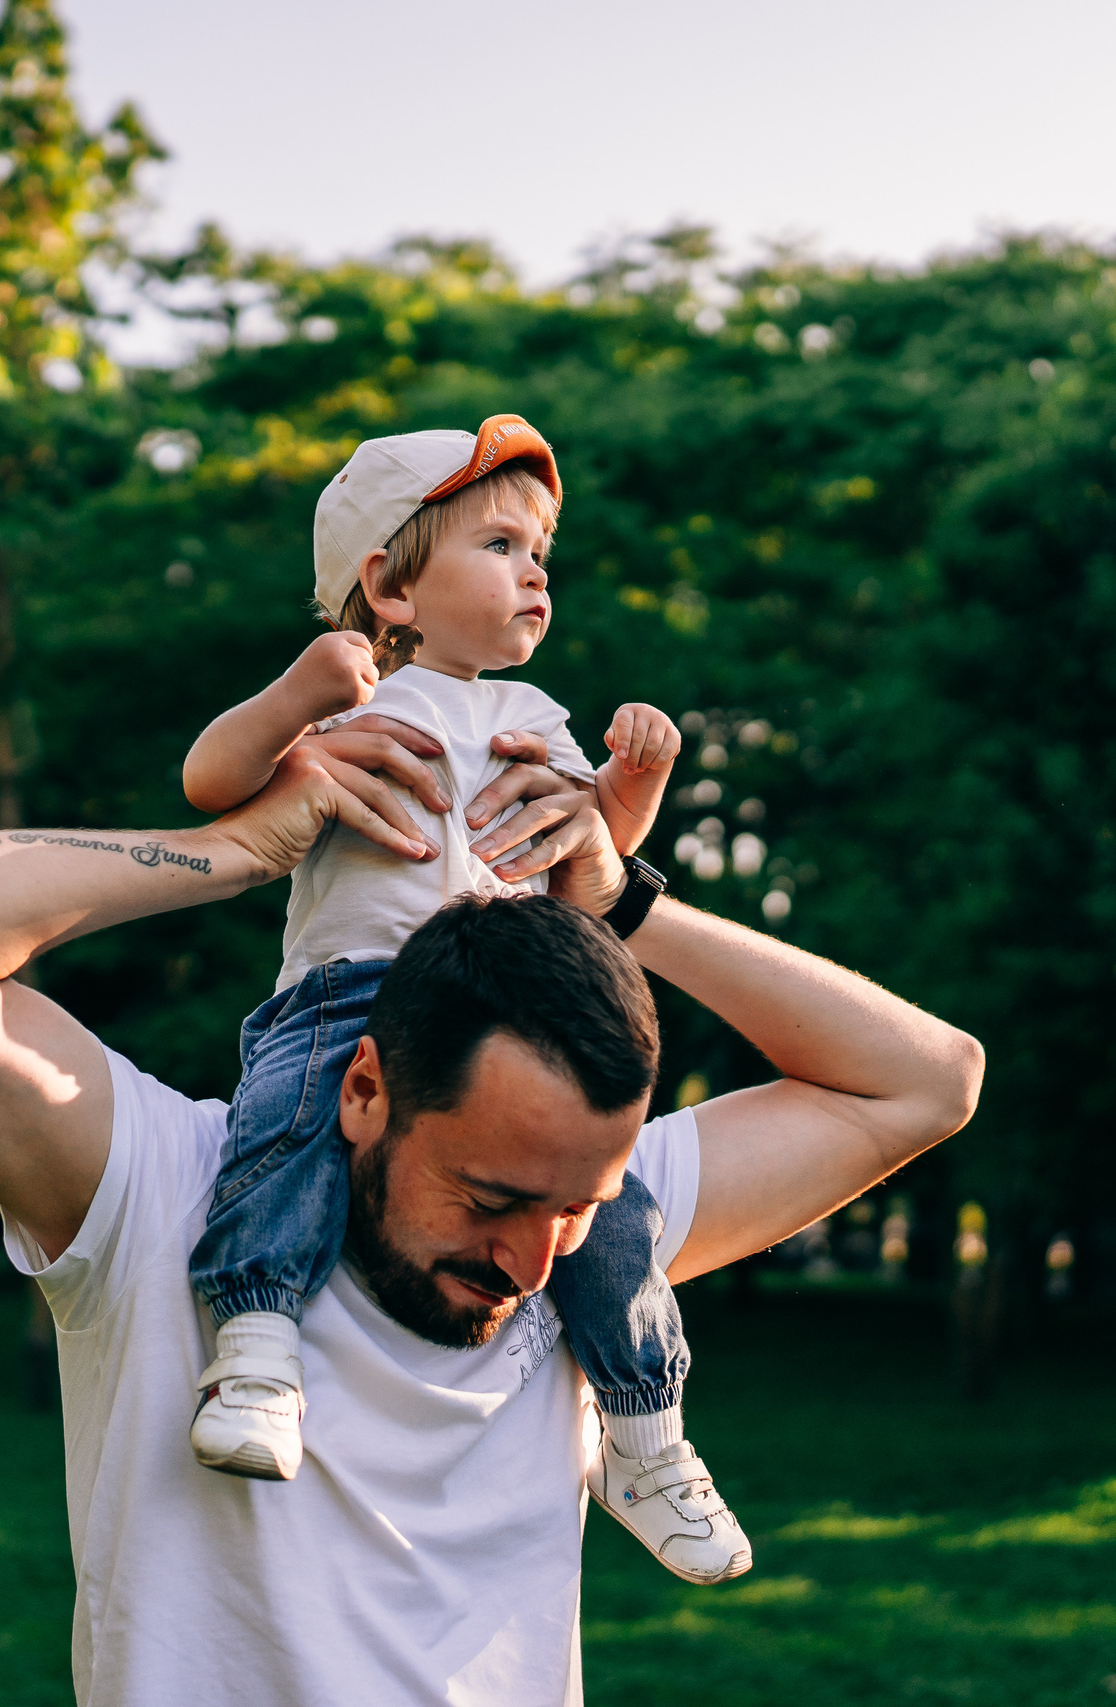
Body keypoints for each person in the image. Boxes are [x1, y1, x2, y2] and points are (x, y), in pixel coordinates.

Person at [0, 686, 982, 1707]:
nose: (532, 1261)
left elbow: (927, 1081)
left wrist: (625, 905)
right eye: (488, 1197)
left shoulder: (590, 1241)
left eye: (576, 1205)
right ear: (363, 1087)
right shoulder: (164, 1192)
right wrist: (244, 846)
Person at [176, 415, 745, 1583]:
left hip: (507, 1011)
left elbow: (588, 855)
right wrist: (297, 695)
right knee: (283, 1137)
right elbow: (211, 784)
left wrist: (632, 782)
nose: (535, 569)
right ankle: (255, 1347)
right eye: (498, 543)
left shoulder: (533, 720)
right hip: (347, 996)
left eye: (541, 549)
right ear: (388, 585)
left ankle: (643, 1436)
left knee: (604, 1213)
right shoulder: (349, 704)